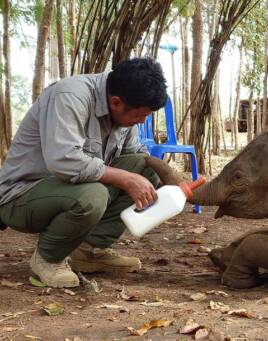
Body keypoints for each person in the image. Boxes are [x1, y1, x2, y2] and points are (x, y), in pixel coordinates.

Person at [0, 58, 182, 288]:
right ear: (116, 102)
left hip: (67, 192)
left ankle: (88, 251)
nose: (142, 121)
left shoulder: (123, 111)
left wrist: (170, 178)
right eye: (140, 115)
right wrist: (125, 179)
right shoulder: (69, 97)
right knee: (93, 195)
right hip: (21, 196)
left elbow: (135, 156)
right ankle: (48, 259)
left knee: (145, 170)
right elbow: (63, 160)